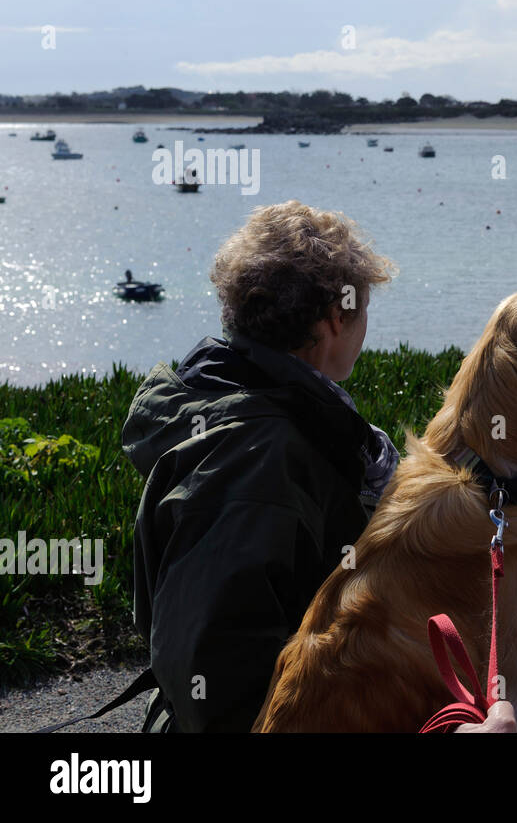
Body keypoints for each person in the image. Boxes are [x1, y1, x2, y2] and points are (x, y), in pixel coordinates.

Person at [123, 200, 397, 732]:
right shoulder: (262, 456)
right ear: (336, 317)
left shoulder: (226, 400)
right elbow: (211, 665)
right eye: (363, 310)